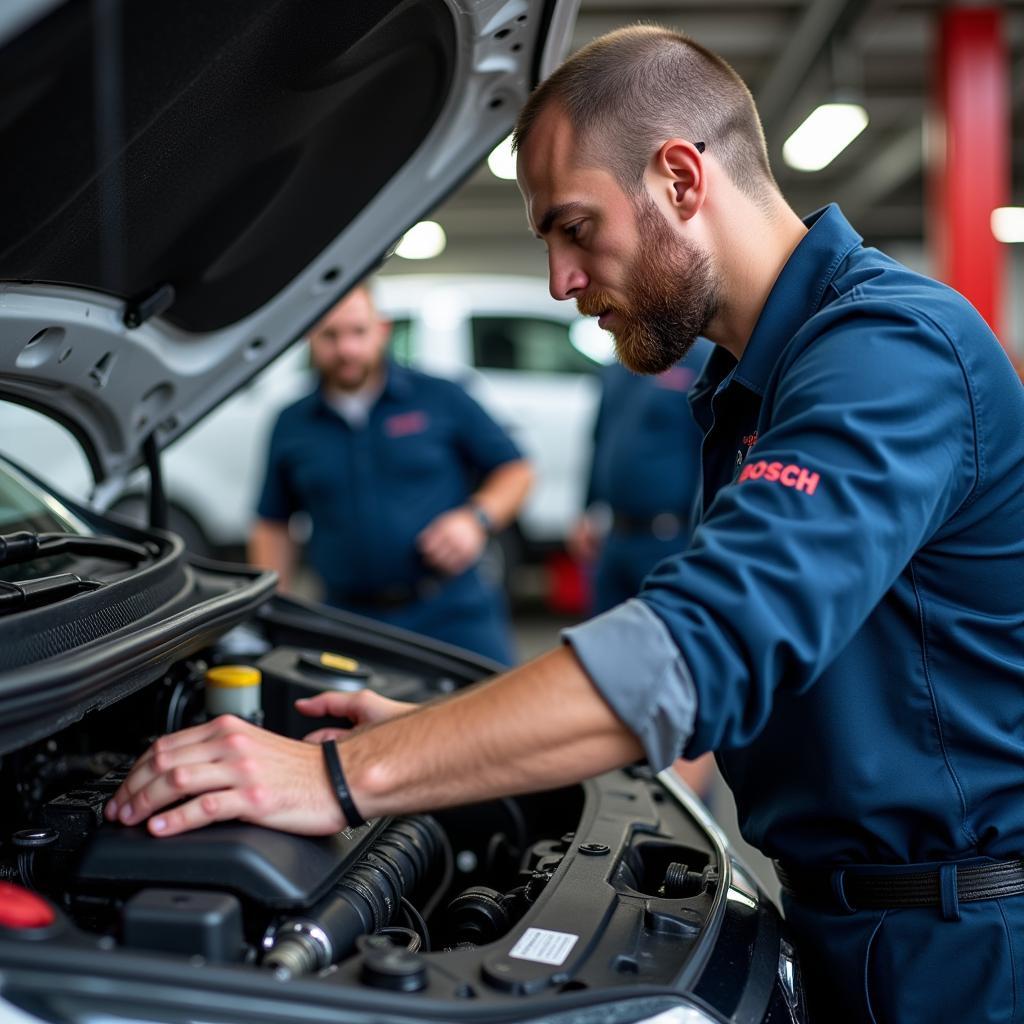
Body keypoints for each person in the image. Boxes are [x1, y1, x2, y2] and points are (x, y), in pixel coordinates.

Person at [108, 26, 1024, 1023]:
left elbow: (694, 649)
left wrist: (338, 775)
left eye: (574, 228)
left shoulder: (888, 352)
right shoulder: (752, 387)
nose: (558, 279)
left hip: (963, 954)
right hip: (852, 924)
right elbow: (754, 675)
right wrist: (431, 740)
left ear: (681, 178)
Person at [248, 281, 533, 665]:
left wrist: (476, 519)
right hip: (347, 621)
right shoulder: (292, 424)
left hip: (453, 612)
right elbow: (273, 524)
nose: (346, 349)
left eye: (358, 332)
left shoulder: (441, 397)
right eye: (330, 336)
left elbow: (516, 470)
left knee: (498, 719)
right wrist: (267, 614)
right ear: (308, 337)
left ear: (382, 330)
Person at [569, 342, 712, 614]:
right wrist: (586, 509)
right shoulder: (618, 364)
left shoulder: (701, 359)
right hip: (615, 537)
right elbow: (600, 441)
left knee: (662, 641)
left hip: (670, 540)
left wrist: (701, 534)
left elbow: (710, 447)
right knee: (603, 641)